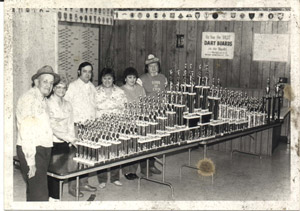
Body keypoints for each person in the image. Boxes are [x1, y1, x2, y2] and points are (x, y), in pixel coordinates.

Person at [16, 65, 60, 201]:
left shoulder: (42, 99)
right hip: (33, 150)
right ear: (36, 82)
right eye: (45, 81)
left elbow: (47, 125)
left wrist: (68, 137)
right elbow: (26, 131)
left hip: (42, 148)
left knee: (35, 189)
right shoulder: (29, 99)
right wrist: (31, 162)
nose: (49, 85)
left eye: (51, 83)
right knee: (40, 195)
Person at [47, 76, 83, 198]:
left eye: (64, 88)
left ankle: (57, 197)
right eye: (58, 87)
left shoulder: (68, 104)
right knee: (52, 172)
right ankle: (53, 198)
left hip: (65, 141)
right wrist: (68, 138)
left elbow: (70, 123)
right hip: (51, 141)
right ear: (53, 88)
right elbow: (52, 126)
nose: (61, 90)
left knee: (62, 169)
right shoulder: (47, 103)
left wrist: (72, 139)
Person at [64, 62, 97, 193]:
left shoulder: (92, 87)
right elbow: (66, 106)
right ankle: (72, 187)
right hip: (77, 126)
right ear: (79, 72)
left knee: (86, 156)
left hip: (89, 127)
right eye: (85, 71)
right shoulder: (72, 86)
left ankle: (84, 183)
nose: (87, 74)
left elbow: (94, 107)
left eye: (90, 71)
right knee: (74, 157)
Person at [95, 68, 127, 188]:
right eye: (104, 78)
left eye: (109, 78)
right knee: (102, 152)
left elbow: (124, 109)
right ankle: (102, 179)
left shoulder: (119, 92)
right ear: (101, 79)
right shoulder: (95, 91)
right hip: (100, 126)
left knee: (115, 151)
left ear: (113, 79)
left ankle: (115, 178)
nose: (107, 80)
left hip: (116, 126)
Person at [139, 54, 168, 176]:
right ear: (147, 68)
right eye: (151, 66)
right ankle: (144, 167)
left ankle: (151, 165)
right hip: (146, 113)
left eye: (155, 66)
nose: (153, 68)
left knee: (156, 140)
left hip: (160, 113)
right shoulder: (141, 79)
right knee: (146, 140)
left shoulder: (163, 78)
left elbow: (165, 94)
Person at [121, 67, 146, 180]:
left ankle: (134, 170)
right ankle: (127, 171)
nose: (132, 79)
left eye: (134, 77)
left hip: (139, 120)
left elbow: (144, 103)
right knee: (127, 146)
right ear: (125, 78)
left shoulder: (140, 88)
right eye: (130, 77)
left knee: (137, 145)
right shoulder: (121, 90)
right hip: (126, 121)